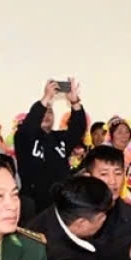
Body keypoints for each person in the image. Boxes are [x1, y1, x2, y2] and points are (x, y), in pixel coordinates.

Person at [15, 78, 87, 212]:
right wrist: (46, 97)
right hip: (33, 203)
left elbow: (78, 128)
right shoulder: (24, 137)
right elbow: (29, 126)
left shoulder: (60, 138)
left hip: (59, 202)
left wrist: (75, 102)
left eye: (50, 112)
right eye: (44, 111)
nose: (46, 115)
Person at [83, 145, 131, 260]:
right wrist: (128, 254)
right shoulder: (77, 215)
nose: (113, 181)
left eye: (118, 173)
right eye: (104, 174)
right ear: (88, 177)